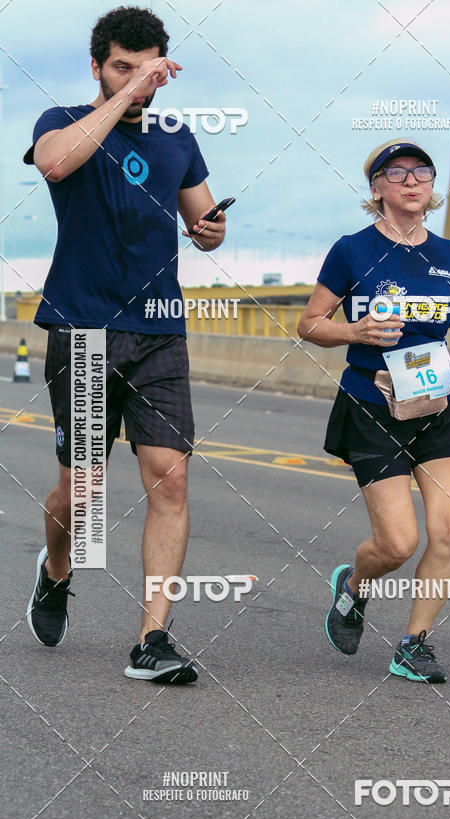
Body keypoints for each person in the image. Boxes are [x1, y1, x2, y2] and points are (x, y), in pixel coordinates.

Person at [23, 6, 226, 684]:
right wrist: (124, 102)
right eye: (122, 67)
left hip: (159, 329)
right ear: (97, 68)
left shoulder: (178, 137)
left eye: (149, 69)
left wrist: (209, 231)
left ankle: (152, 640)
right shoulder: (61, 121)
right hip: (82, 329)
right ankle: (56, 570)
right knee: (80, 494)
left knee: (171, 477)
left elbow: (200, 216)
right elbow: (54, 166)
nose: (139, 80)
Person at [298, 138, 450, 683]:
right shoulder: (351, 251)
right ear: (377, 188)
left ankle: (414, 643)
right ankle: (354, 586)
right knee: (398, 544)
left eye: (422, 171)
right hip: (372, 406)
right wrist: (354, 331)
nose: (412, 180)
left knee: (449, 530)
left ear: (432, 186)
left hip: (436, 405)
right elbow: (309, 324)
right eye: (397, 172)